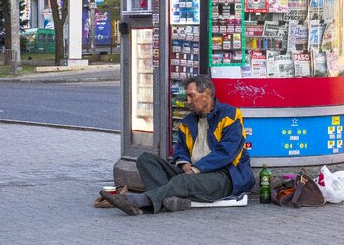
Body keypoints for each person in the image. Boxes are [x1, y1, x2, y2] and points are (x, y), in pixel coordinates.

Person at [100, 74, 254, 215]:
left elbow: (226, 152)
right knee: (145, 160)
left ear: (207, 93)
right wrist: (185, 164)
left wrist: (195, 169)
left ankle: (141, 202)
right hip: (192, 173)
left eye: (191, 96)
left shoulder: (231, 115)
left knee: (181, 181)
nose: (188, 101)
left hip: (226, 176)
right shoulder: (188, 121)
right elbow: (180, 149)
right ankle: (171, 200)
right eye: (187, 96)